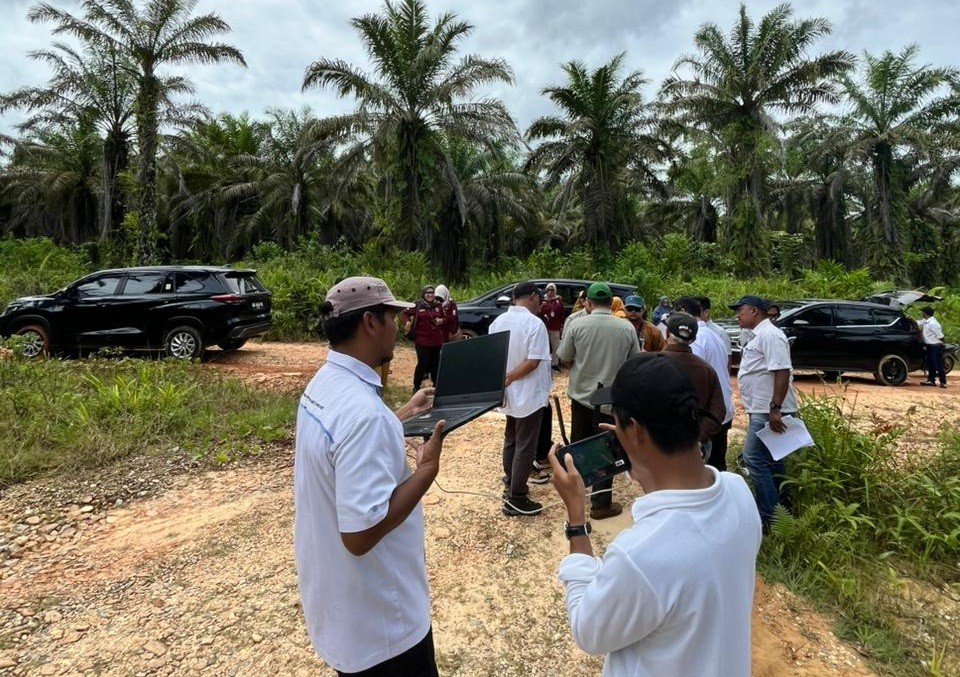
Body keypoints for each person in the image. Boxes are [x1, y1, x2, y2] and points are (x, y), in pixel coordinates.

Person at [548, 352, 761, 676]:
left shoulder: (641, 555)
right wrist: (639, 455)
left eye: (618, 421)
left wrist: (577, 517)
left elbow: (587, 631)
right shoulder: (738, 493)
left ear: (634, 430)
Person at [294, 276, 445, 676]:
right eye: (393, 317)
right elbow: (360, 536)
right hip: (384, 631)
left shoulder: (324, 386)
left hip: (344, 609)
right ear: (370, 323)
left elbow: (343, 450)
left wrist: (402, 415)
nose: (400, 328)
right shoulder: (364, 414)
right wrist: (427, 471)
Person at [557, 282, 640, 520]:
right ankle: (601, 504)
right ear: (612, 303)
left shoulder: (577, 324)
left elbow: (563, 357)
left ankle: (574, 494)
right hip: (610, 398)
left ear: (589, 303)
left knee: (578, 444)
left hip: (582, 397)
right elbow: (634, 362)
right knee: (607, 448)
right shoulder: (626, 328)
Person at [730, 295, 799, 530]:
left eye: (740, 311)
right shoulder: (758, 335)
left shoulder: (770, 335)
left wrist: (774, 409)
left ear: (754, 311)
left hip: (768, 410)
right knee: (774, 461)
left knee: (753, 459)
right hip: (762, 408)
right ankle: (784, 512)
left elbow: (781, 371)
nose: (737, 315)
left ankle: (769, 519)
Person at [488, 281, 554, 516]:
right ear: (534, 297)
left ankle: (510, 479)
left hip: (508, 394)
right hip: (527, 394)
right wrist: (510, 378)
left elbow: (493, 359)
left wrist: (503, 382)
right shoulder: (535, 324)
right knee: (525, 444)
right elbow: (533, 361)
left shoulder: (497, 323)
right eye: (540, 299)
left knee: (511, 437)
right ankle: (517, 498)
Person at [673, 296, 734, 470]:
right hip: (720, 410)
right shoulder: (713, 335)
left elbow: (694, 379)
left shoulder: (697, 339)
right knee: (717, 466)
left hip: (707, 416)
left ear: (683, 312)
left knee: (703, 470)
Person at [662, 313, 726, 451]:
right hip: (695, 447)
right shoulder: (706, 369)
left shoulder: (648, 365)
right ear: (693, 339)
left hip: (658, 446)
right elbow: (718, 411)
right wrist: (697, 439)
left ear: (666, 333)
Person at [697, 296, 735, 471]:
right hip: (718, 407)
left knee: (714, 459)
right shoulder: (708, 335)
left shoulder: (715, 334)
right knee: (715, 459)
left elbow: (725, 366)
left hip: (713, 407)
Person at [403, 285, 447, 392]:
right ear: (423, 294)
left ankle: (436, 387)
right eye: (427, 293)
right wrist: (407, 322)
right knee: (423, 364)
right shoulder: (417, 305)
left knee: (436, 365)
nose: (430, 295)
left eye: (432, 293)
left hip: (436, 340)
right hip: (422, 340)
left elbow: (445, 317)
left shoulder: (438, 305)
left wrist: (440, 321)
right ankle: (416, 386)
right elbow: (405, 313)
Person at [918, 306, 947, 388]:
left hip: (935, 346)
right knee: (930, 363)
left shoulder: (933, 323)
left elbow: (940, 336)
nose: (921, 313)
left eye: (922, 312)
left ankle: (943, 382)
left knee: (937, 364)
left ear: (925, 313)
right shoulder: (926, 321)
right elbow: (917, 322)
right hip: (929, 345)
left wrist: (942, 344)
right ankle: (931, 380)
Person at [540, 282, 566, 369]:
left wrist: (562, 324)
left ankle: (555, 363)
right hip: (544, 326)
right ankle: (544, 363)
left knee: (556, 346)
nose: (550, 292)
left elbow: (562, 313)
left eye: (552, 290)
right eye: (548, 290)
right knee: (544, 345)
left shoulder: (558, 300)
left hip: (555, 326)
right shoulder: (542, 300)